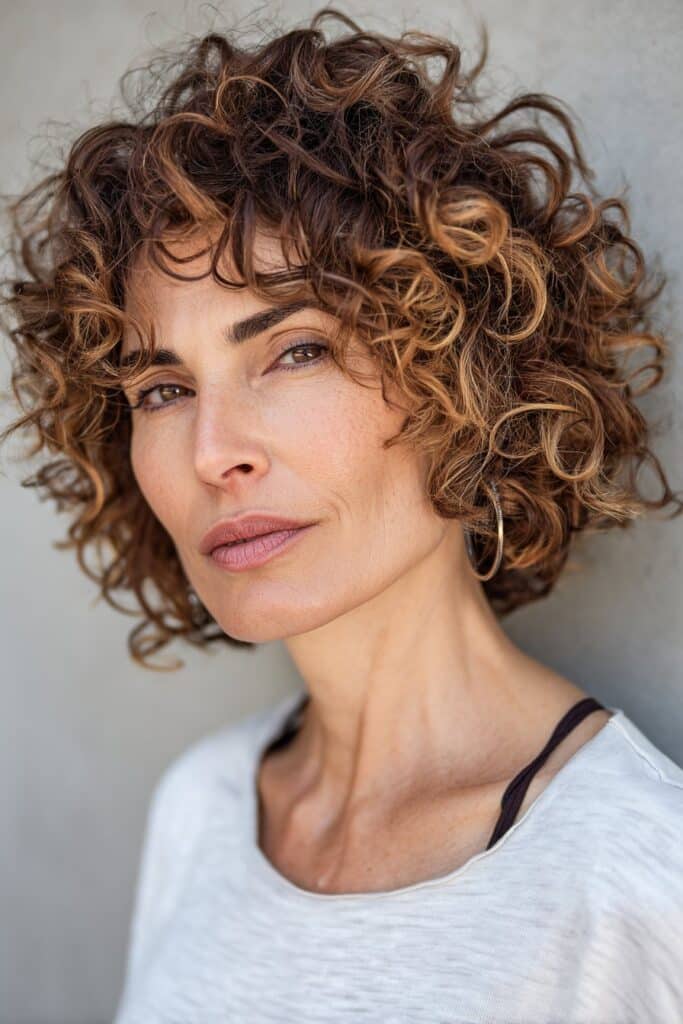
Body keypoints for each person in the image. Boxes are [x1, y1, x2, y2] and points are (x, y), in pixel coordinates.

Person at [2, 8, 682, 1023]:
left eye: (294, 351)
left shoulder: (631, 883)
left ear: (461, 371)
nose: (211, 450)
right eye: (160, 389)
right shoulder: (204, 804)